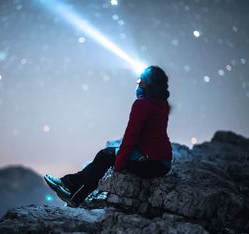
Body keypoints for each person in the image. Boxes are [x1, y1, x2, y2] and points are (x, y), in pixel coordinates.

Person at [44, 65, 173, 207]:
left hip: (151, 162)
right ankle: (74, 195)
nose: (137, 84)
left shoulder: (142, 104)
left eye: (140, 81)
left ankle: (70, 188)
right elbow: (148, 135)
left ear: (149, 84)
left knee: (105, 156)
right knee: (106, 155)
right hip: (163, 162)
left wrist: (119, 165)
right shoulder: (161, 103)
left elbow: (131, 136)